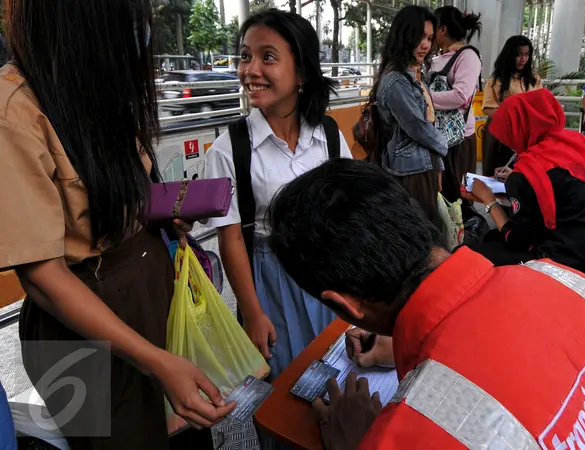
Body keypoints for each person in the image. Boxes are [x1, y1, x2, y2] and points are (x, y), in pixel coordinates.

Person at [265, 158, 585, 450]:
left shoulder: (405, 434)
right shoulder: (571, 281)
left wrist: (363, 444)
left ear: (347, 307)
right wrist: (406, 347)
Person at [0, 1, 234, 449]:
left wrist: (162, 212)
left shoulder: (98, 88)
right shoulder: (14, 109)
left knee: (186, 434)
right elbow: (44, 279)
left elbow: (118, 197)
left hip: (150, 291)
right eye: (128, 22)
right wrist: (157, 362)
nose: (141, 34)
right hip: (79, 324)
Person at [204, 10, 352, 379]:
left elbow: (350, 212)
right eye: (245, 56)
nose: (250, 69)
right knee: (286, 385)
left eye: (267, 57)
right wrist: (253, 314)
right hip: (272, 283)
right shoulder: (229, 149)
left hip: (330, 277)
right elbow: (232, 237)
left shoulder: (329, 137)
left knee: (338, 373)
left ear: (301, 72)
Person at [465, 89, 585, 281]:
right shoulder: (582, 145)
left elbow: (516, 240)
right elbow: (563, 185)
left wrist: (488, 200)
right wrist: (518, 183)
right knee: (489, 239)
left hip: (562, 266)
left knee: (463, 255)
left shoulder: (529, 171)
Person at [372, 5, 448, 227]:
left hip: (423, 164)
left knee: (428, 227)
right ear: (404, 35)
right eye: (420, 36)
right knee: (419, 232)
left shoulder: (413, 73)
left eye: (430, 38)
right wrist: (445, 147)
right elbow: (419, 128)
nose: (425, 44)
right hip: (410, 170)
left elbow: (427, 123)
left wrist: (439, 165)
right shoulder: (395, 81)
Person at [429, 6, 483, 202]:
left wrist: (424, 97)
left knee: (458, 196)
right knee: (441, 195)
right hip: (437, 135)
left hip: (459, 139)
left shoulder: (468, 56)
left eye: (431, 31)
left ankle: (464, 231)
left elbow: (461, 96)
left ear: (442, 29)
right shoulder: (437, 59)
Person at [481, 34, 542, 177]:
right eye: (518, 55)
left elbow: (541, 106)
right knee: (496, 176)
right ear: (509, 55)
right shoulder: (496, 79)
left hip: (527, 135)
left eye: (526, 55)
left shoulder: (535, 80)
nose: (523, 59)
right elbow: (489, 108)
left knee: (522, 176)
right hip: (500, 135)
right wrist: (514, 118)